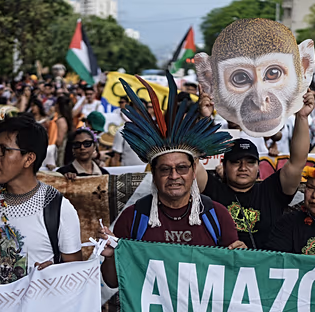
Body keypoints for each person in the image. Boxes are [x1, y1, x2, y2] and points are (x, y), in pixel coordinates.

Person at [99, 74, 244, 289]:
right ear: (154, 173)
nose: (174, 176)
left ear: (194, 170)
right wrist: (111, 256)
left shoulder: (217, 215)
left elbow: (235, 278)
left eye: (181, 168)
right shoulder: (134, 218)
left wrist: (241, 259)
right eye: (165, 169)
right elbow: (112, 281)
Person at [0, 114, 82, 284]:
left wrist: (55, 275)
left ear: (29, 159)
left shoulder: (58, 208)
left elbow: (75, 276)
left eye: (3, 150)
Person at [197, 91, 312, 249]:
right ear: (224, 166)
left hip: (266, 269)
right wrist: (204, 119)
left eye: (250, 162)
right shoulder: (212, 190)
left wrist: (302, 117)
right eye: (236, 162)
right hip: (222, 269)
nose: (243, 168)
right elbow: (191, 163)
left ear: (259, 167)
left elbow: (297, 162)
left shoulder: (272, 191)